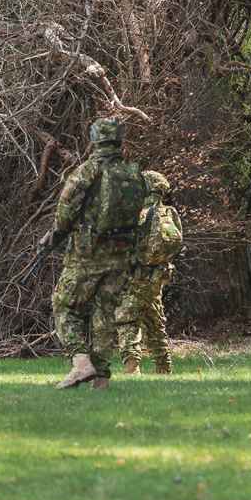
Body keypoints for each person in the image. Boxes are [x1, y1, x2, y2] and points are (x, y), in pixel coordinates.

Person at [52, 118, 151, 388]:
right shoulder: (133, 173)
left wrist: (53, 238)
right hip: (122, 254)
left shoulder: (87, 171)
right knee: (104, 315)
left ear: (94, 139)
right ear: (120, 140)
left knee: (64, 306)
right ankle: (102, 378)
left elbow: (65, 213)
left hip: (87, 253)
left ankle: (81, 363)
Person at [117, 170, 182, 374]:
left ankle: (132, 367)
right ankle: (164, 367)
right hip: (158, 276)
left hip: (137, 275)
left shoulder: (137, 213)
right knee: (155, 320)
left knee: (127, 318)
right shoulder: (169, 213)